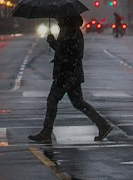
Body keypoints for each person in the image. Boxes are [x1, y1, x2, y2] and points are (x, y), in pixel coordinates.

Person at [28, 15, 113, 144]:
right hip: (71, 73)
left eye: (60, 19)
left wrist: (53, 43)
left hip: (66, 74)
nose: (58, 21)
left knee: (52, 100)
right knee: (78, 102)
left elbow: (70, 52)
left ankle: (46, 131)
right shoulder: (71, 30)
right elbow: (67, 50)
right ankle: (102, 125)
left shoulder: (71, 32)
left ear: (66, 19)